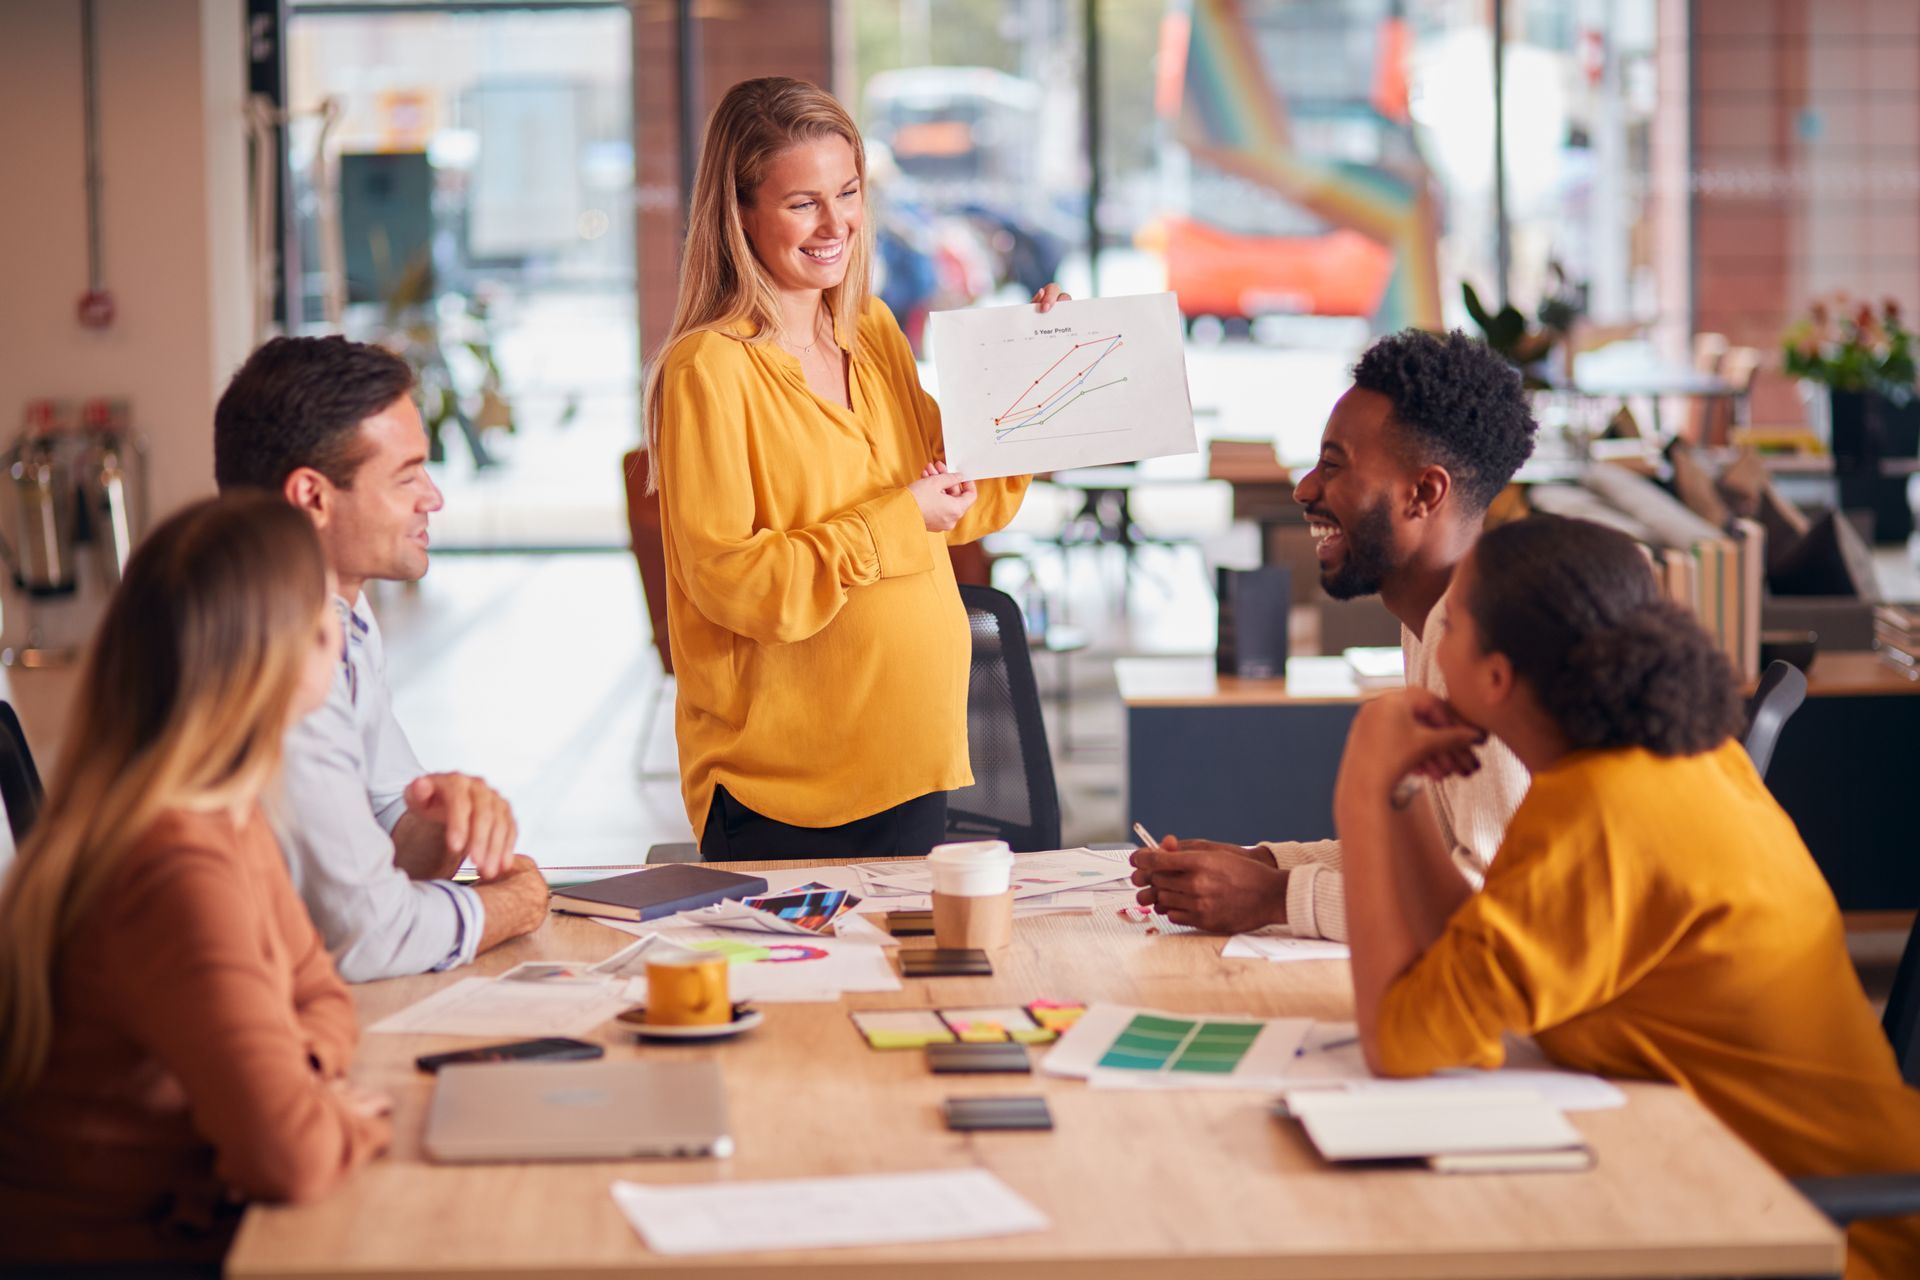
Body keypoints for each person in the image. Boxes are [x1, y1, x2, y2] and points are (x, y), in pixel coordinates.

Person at [1336, 514, 1920, 1280]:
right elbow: (1469, 960)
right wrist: (1402, 788)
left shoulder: (1600, 818)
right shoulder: (1663, 764)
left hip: (1819, 1242)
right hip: (1721, 1191)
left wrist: (1360, 781)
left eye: (1452, 626)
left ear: (1496, 677)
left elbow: (1398, 1044)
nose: (1432, 648)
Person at [643, 76, 1066, 860]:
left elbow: (962, 501)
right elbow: (737, 583)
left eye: (849, 191)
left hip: (912, 758)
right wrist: (899, 518)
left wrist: (1030, 371)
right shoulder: (710, 370)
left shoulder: (869, 330)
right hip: (791, 785)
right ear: (739, 213)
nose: (836, 223)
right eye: (803, 202)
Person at [0, 495, 392, 1270]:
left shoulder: (226, 813)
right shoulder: (172, 865)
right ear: (294, 647)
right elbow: (291, 1158)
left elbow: (322, 996)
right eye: (328, 610)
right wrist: (326, 1111)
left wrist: (295, 1081)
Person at [1131, 329, 1537, 938]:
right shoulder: (1434, 622)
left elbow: (1496, 905)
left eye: (1333, 465)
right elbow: (1434, 858)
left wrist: (1275, 898)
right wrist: (1262, 865)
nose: (1304, 489)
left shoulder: (1492, 647)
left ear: (1424, 493)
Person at [215, 336, 548, 981]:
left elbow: (388, 838)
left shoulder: (342, 615)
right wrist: (514, 904)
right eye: (406, 475)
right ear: (312, 497)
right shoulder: (277, 658)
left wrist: (440, 817)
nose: (433, 498)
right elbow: (368, 935)